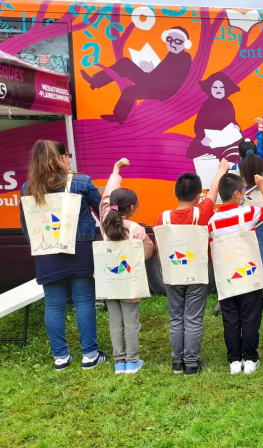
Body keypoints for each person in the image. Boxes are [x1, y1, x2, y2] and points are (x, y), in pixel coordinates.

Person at [19, 140, 108, 371]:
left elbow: (27, 227)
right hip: (81, 251)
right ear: (60, 158)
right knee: (84, 302)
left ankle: (61, 357)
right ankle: (89, 355)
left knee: (54, 305)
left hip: (47, 253)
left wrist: (42, 246)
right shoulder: (80, 181)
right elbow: (103, 211)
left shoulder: (28, 187)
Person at [153, 159, 230, 376]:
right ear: (198, 197)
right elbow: (214, 190)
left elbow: (161, 250)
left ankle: (177, 362)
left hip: (172, 273)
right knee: (193, 317)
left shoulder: (162, 217)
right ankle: (191, 363)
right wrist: (221, 170)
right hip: (197, 272)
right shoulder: (202, 212)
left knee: (176, 317)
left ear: (175, 193)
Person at [208, 172, 263, 375]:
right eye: (245, 191)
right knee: (250, 318)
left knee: (230, 318)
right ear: (238, 194)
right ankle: (250, 359)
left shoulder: (212, 221)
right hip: (249, 275)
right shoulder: (247, 213)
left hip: (227, 277)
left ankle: (234, 362)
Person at [100, 158, 155, 374]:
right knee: (131, 322)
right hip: (130, 280)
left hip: (109, 281)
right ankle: (132, 361)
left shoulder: (105, 220)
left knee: (115, 322)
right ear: (132, 208)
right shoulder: (136, 230)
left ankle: (119, 362)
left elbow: (106, 198)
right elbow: (147, 252)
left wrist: (116, 171)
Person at [81, 26, 193, 124]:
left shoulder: (185, 57)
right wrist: (149, 71)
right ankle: (119, 116)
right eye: (169, 39)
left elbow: (173, 78)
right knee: (129, 87)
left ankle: (95, 83)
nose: (172, 43)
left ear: (185, 44)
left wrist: (150, 75)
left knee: (125, 68)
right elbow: (163, 73)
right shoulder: (172, 55)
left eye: (177, 41)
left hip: (162, 89)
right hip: (155, 83)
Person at [186, 72, 242, 160]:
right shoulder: (207, 105)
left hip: (225, 140)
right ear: (210, 89)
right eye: (215, 87)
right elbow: (198, 126)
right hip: (209, 140)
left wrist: (236, 127)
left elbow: (232, 121)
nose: (218, 90)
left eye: (221, 87)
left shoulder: (228, 104)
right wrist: (202, 138)